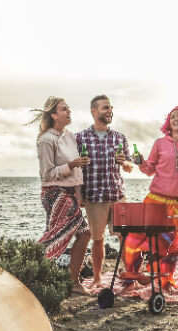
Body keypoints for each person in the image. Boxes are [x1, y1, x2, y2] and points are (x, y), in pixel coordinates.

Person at [118, 106, 178, 292]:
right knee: (134, 236)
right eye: (173, 117)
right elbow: (149, 170)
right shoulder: (160, 143)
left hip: (177, 203)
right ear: (169, 122)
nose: (176, 119)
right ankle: (131, 278)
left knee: (169, 244)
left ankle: (165, 281)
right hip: (155, 199)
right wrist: (140, 162)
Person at [32, 96, 91, 295]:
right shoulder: (46, 140)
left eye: (69, 108)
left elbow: (78, 171)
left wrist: (78, 194)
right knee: (61, 236)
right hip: (54, 193)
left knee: (69, 234)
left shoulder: (70, 136)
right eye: (64, 109)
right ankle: (33, 267)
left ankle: (65, 279)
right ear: (54, 115)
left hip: (69, 194)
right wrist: (71, 165)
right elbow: (47, 174)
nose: (69, 111)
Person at [75, 95, 134, 288]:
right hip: (94, 196)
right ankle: (98, 278)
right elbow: (77, 169)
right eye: (105, 108)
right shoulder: (81, 137)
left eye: (110, 108)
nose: (109, 111)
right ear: (94, 111)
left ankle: (128, 276)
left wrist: (125, 163)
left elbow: (130, 163)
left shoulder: (119, 137)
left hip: (117, 194)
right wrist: (78, 194)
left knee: (124, 237)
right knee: (97, 240)